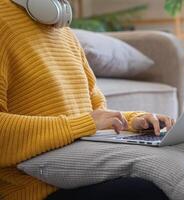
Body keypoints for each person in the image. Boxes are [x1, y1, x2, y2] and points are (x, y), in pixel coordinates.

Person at [0, 0, 173, 199]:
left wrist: (134, 121)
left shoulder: (65, 32)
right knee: (148, 191)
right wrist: (84, 124)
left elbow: (97, 116)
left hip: (83, 171)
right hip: (35, 190)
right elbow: (87, 122)